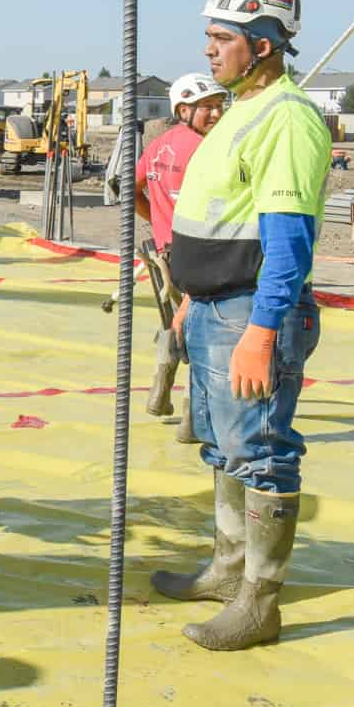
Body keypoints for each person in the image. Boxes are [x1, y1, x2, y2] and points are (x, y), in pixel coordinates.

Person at [158, 0, 330, 651]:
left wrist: (261, 329)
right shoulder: (242, 112)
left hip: (247, 312)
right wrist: (186, 303)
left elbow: (286, 240)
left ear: (261, 45)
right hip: (211, 308)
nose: (207, 50)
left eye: (220, 38)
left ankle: (258, 602)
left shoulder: (285, 118)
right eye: (207, 36)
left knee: (259, 454)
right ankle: (227, 571)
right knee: (223, 449)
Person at [135, 72, 227, 443]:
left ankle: (163, 380)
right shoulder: (210, 148)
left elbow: (131, 188)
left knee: (181, 317)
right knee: (206, 331)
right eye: (207, 108)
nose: (217, 114)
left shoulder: (159, 145)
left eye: (220, 106)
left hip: (167, 249)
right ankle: (192, 421)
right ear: (183, 109)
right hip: (202, 248)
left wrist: (155, 222)